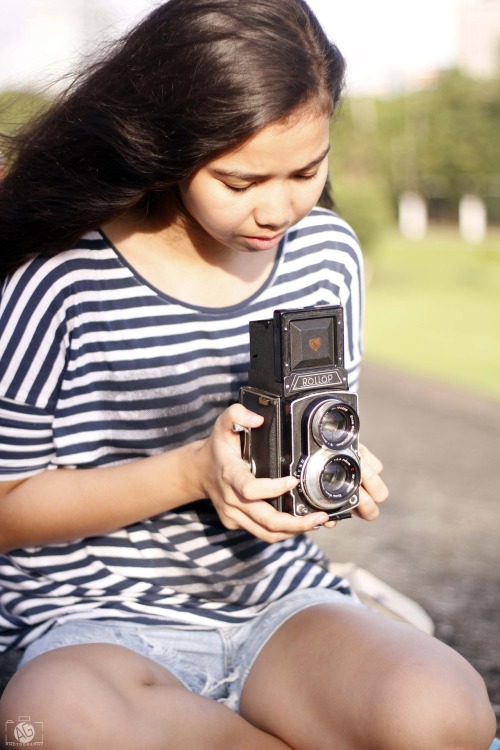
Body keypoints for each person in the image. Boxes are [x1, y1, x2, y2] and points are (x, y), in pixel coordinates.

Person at [0, 1, 496, 748]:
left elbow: (314, 422)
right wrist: (196, 472)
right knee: (47, 721)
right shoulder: (60, 276)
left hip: (278, 607)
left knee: (446, 714)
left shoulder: (325, 254)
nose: (279, 208)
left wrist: (332, 471)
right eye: (240, 180)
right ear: (168, 150)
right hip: (88, 626)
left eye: (307, 170)